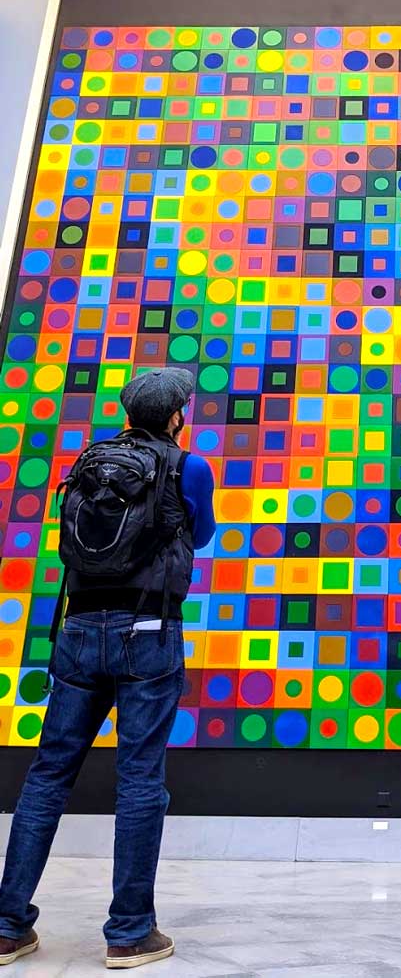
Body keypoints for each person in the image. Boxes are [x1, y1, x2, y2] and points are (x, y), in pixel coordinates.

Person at [0, 368, 216, 970]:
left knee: (47, 777)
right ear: (176, 415)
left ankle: (7, 926)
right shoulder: (186, 466)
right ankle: (128, 934)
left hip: (77, 631)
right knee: (141, 780)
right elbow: (200, 533)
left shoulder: (93, 461)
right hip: (147, 633)